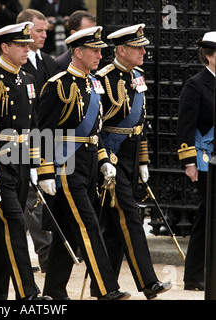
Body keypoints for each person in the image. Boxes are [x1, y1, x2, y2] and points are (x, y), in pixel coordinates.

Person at [37, 26, 129, 300]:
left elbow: (94, 130)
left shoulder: (92, 83)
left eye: (101, 50)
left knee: (67, 229)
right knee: (89, 225)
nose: (100, 55)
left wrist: (102, 160)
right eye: (94, 50)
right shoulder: (58, 85)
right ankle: (106, 288)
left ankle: (53, 291)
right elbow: (43, 131)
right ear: (78, 52)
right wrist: (45, 171)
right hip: (67, 164)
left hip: (89, 163)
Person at [94, 24, 172, 299]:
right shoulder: (102, 79)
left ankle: (105, 288)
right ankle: (149, 282)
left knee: (117, 227)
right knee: (130, 217)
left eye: (143, 46)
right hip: (111, 156)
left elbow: (140, 124)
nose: (143, 51)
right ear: (121, 50)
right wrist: (105, 160)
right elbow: (96, 125)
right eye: (137, 47)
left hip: (131, 154)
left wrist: (143, 161)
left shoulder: (137, 76)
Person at [0, 22, 49, 300]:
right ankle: (28, 293)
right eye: (21, 45)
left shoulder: (29, 79)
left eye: (28, 45)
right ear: (5, 48)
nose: (27, 50)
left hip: (20, 163)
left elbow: (34, 126)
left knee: (1, 232)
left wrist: (34, 165)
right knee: (14, 223)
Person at [15, 8, 55, 273]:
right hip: (23, 141)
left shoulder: (49, 62)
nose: (43, 35)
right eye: (38, 31)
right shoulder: (17, 64)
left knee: (42, 198)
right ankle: (44, 254)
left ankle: (45, 253)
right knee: (30, 200)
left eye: (45, 30)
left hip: (48, 139)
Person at [176, 31, 216, 291]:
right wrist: (189, 162)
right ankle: (194, 273)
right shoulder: (196, 83)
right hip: (203, 158)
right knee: (209, 213)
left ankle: (196, 273)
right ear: (210, 55)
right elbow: (185, 125)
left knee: (207, 214)